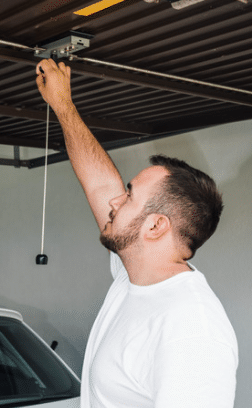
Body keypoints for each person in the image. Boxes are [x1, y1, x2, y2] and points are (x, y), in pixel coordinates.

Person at [35, 59, 238, 408]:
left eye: (129, 195)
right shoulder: (132, 277)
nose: (115, 200)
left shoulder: (191, 328)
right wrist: (62, 105)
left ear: (156, 226)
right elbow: (100, 184)